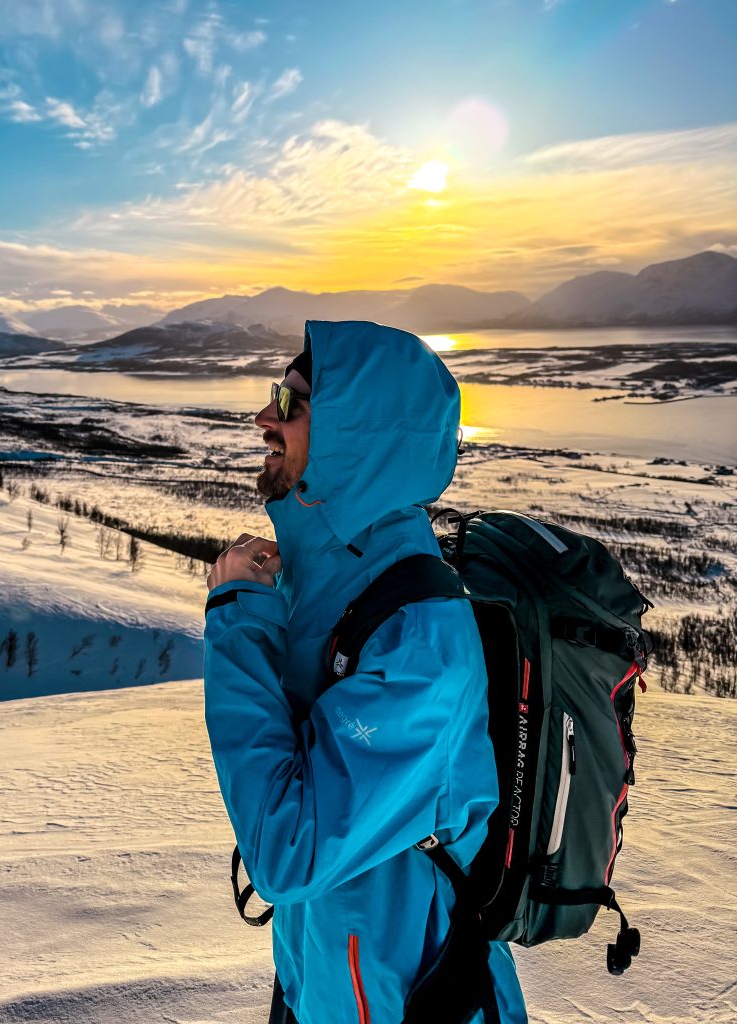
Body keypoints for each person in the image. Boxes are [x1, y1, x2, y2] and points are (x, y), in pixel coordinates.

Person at [202, 320, 527, 1024]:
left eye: (291, 405)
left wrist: (236, 620)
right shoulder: (333, 591)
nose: (264, 419)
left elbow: (287, 852)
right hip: (325, 990)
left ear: (358, 435)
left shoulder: (419, 640)